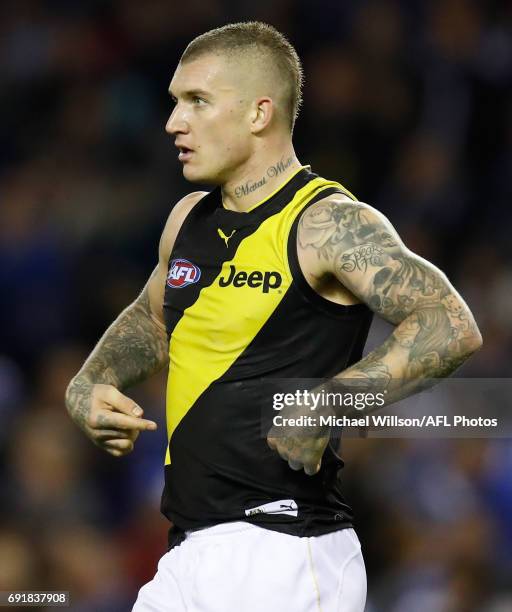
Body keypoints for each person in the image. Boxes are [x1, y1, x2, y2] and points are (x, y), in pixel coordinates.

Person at [65, 21, 482, 612]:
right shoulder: (187, 220)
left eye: (196, 101)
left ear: (259, 113)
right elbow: (153, 319)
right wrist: (89, 382)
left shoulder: (327, 222)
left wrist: (333, 401)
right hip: (185, 553)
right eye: (174, 102)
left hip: (285, 549)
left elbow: (450, 324)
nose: (173, 123)